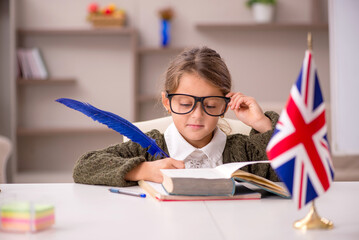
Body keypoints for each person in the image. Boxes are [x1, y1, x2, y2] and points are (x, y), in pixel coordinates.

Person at [73, 46, 279, 187]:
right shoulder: (147, 147)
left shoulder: (244, 151)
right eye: (186, 104)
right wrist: (142, 170)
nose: (197, 115)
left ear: (225, 106)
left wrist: (263, 124)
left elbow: (293, 172)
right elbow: (84, 166)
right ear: (167, 102)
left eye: (210, 105)